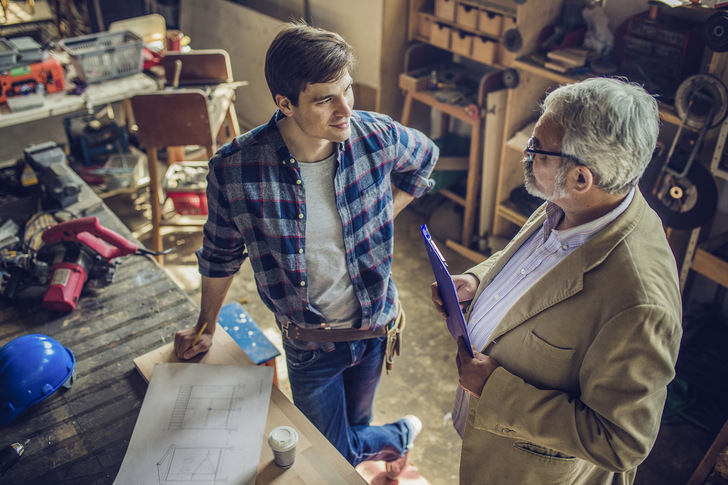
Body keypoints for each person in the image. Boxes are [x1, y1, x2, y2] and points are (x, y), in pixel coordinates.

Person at [173, 22, 438, 476]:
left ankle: (373, 452)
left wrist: (382, 213)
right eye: (325, 99)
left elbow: (425, 160)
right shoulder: (236, 170)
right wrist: (205, 326)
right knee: (331, 450)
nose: (345, 110)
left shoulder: (376, 136)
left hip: (375, 329)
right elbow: (220, 254)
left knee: (355, 426)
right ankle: (400, 438)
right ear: (285, 103)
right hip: (309, 344)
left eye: (347, 90)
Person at [431, 77, 682, 484]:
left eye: (538, 151)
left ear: (582, 179)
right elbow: (536, 262)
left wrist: (494, 390)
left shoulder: (639, 304)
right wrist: (480, 281)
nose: (527, 156)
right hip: (489, 439)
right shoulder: (575, 204)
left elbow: (621, 442)